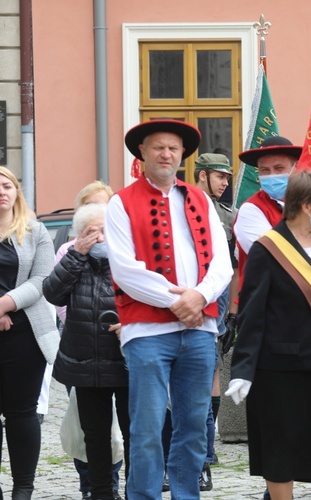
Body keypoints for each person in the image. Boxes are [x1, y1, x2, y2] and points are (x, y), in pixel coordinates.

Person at [105, 119, 233, 499]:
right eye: (158, 147)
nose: (166, 154)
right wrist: (180, 302)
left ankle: (185, 495)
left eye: (173, 148)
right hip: (146, 333)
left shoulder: (199, 200)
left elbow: (223, 264)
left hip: (199, 330)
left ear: (182, 156)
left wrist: (201, 297)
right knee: (145, 429)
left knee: (194, 427)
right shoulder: (120, 202)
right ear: (142, 154)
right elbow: (125, 270)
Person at [226, 170, 311, 500]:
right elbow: (252, 313)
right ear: (306, 206)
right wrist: (243, 370)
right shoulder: (267, 249)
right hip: (279, 371)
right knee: (280, 451)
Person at [43, 203, 129, 500]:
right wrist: (77, 254)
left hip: (127, 358)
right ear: (80, 235)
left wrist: (129, 324)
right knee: (95, 435)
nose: (101, 238)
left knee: (135, 433)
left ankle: (137, 490)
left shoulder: (127, 256)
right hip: (86, 360)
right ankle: (101, 492)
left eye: (106, 230)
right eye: (93, 232)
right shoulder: (73, 259)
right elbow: (52, 293)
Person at [0, 166, 59, 499]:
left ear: (17, 192)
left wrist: (5, 304)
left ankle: (23, 486)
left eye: (7, 185)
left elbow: (42, 280)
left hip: (25, 334)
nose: (2, 191)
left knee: (22, 413)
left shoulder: (35, 231)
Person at [193, 152, 239, 490]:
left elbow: (233, 268)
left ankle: (208, 449)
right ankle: (202, 451)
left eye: (227, 177)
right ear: (202, 175)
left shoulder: (229, 215)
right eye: (219, 176)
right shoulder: (186, 205)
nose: (225, 183)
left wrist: (233, 311)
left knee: (214, 370)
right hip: (190, 294)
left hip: (219, 299)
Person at [234, 135, 302, 285]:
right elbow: (273, 257)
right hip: (265, 302)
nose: (272, 175)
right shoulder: (251, 209)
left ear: (295, 167)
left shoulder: (308, 204)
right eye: (265, 170)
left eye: (279, 168)